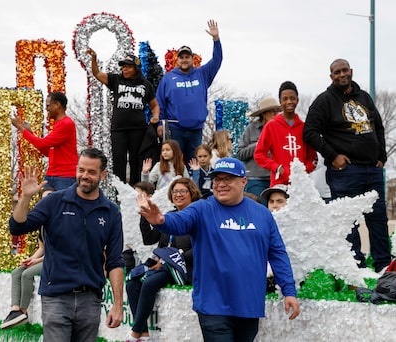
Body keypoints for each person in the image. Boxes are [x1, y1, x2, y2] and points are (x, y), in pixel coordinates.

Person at [138, 157, 300, 341]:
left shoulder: (262, 214)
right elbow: (179, 221)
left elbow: (277, 254)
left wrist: (289, 291)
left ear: (244, 181)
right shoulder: (202, 209)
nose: (221, 184)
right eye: (217, 179)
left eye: (228, 179)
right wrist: (161, 220)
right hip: (213, 305)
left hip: (249, 305)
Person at [9, 148, 124, 341]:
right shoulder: (55, 201)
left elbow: (115, 261)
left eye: (91, 172)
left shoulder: (111, 212)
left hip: (91, 299)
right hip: (56, 297)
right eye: (81, 170)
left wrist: (118, 304)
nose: (84, 176)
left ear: (103, 175)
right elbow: (17, 227)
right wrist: (25, 197)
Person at [303, 58, 391, 273]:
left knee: (378, 219)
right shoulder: (324, 100)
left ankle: (384, 267)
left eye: (344, 70)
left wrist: (381, 156)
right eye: (336, 72)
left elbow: (378, 126)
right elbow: (310, 132)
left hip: (373, 169)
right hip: (346, 172)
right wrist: (333, 156)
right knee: (348, 222)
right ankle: (355, 268)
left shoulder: (364, 97)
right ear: (331, 76)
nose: (341, 74)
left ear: (350, 71)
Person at [126, 177, 200, 341]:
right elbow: (149, 239)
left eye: (182, 191)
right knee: (132, 282)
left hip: (184, 267)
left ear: (191, 193)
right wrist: (145, 215)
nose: (178, 194)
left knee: (148, 283)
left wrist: (169, 260)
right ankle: (143, 334)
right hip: (161, 264)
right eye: (175, 191)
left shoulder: (198, 217)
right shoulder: (169, 216)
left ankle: (134, 332)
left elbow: (200, 248)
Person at [86, 49, 160, 186]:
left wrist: (155, 116)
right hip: (118, 129)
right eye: (123, 67)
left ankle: (135, 189)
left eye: (128, 67)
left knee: (135, 161)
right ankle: (119, 190)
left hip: (138, 129)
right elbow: (96, 73)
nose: (124, 69)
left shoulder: (146, 85)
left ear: (136, 68)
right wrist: (94, 58)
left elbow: (154, 105)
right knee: (119, 160)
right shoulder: (116, 79)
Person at [156, 20, 222, 165]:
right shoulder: (168, 78)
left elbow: (217, 60)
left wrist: (216, 39)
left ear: (192, 59)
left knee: (194, 166)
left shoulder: (202, 74)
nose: (184, 60)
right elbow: (159, 102)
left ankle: (193, 188)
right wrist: (160, 124)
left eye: (187, 57)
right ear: (177, 60)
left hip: (196, 130)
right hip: (175, 129)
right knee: (175, 165)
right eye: (182, 57)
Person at [11, 91, 78, 195]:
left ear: (57, 105)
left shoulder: (66, 123)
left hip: (65, 176)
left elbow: (42, 144)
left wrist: (20, 128)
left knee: (63, 208)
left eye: (48, 105)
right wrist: (29, 132)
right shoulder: (58, 124)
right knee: (47, 205)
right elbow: (48, 152)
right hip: (52, 175)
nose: (46, 109)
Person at [254, 81, 317, 186]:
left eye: (292, 98)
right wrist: (277, 168)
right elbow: (259, 154)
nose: (289, 102)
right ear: (280, 101)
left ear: (297, 100)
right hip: (279, 183)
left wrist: (304, 170)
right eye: (285, 99)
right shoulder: (271, 126)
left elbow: (312, 157)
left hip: (301, 185)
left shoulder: (304, 127)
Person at [237, 97, 281, 203]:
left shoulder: (281, 128)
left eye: (277, 111)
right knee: (258, 210)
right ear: (263, 114)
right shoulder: (251, 129)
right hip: (256, 179)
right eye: (272, 111)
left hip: (277, 178)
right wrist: (260, 144)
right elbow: (240, 154)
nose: (276, 114)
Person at [0, 235, 44, 329]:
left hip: (53, 260)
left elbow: (55, 253)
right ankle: (15, 310)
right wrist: (31, 259)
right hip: (43, 259)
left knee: (26, 275)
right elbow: (41, 248)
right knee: (16, 273)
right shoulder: (41, 227)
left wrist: (36, 261)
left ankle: (23, 312)